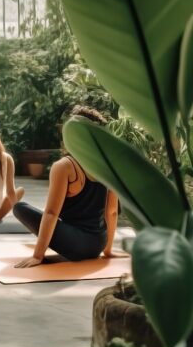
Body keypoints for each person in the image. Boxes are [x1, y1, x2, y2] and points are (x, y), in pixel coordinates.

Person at [11, 106, 119, 266]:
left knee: (19, 208)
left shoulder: (65, 166)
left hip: (76, 246)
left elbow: (51, 213)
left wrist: (38, 256)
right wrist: (107, 250)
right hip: (98, 245)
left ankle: (44, 247)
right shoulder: (108, 167)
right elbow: (112, 212)